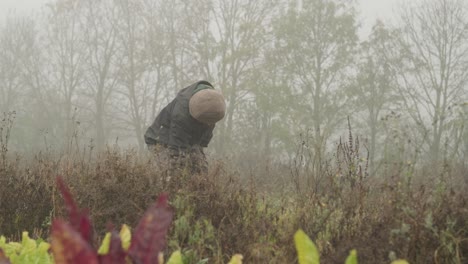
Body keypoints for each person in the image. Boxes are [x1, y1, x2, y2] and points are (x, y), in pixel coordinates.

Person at [144, 80, 226, 178]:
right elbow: (176, 149)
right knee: (172, 172)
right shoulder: (181, 114)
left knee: (201, 171)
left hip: (189, 139)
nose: (208, 124)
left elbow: (201, 141)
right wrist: (180, 167)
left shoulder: (214, 104)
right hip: (161, 140)